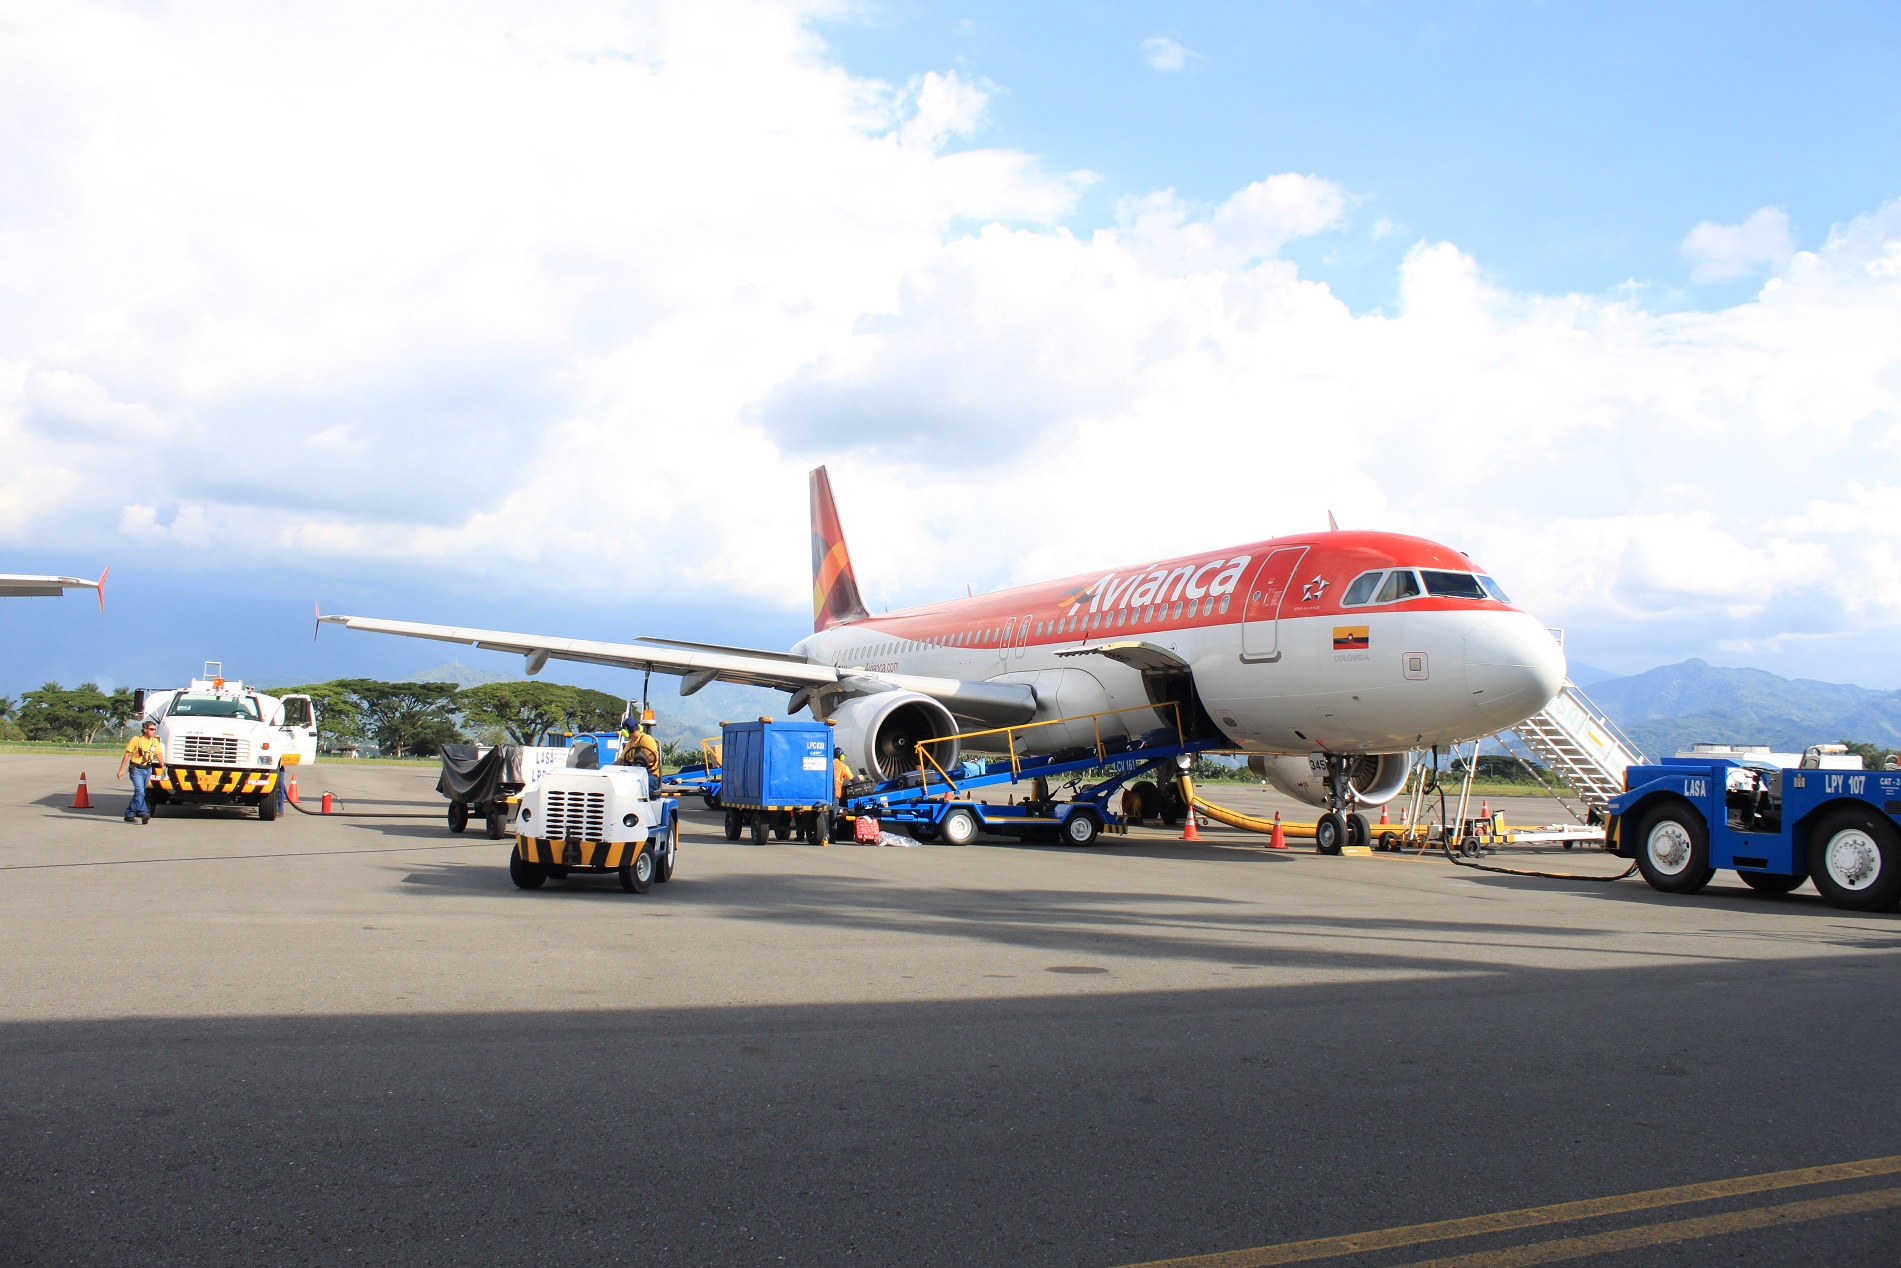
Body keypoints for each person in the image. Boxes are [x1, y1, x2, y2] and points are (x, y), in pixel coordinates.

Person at [117, 719, 165, 825]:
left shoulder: (155, 741)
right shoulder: (136, 739)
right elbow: (127, 755)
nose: (154, 731)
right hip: (136, 769)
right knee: (140, 791)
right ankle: (144, 812)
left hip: (148, 769)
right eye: (151, 729)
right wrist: (121, 770)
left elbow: (159, 754)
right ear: (145, 729)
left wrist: (163, 767)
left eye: (155, 729)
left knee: (141, 793)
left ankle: (129, 814)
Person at [619, 714, 661, 783]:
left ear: (626, 732)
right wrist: (608, 770)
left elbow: (654, 757)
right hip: (636, 773)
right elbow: (620, 760)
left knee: (636, 784)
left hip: (650, 774)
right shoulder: (630, 743)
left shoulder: (646, 739)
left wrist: (637, 761)